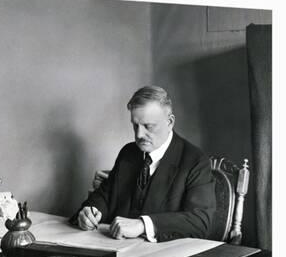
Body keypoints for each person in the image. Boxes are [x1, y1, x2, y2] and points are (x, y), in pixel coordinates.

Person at [72, 85, 215, 242]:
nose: (139, 135)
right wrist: (91, 212)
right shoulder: (128, 153)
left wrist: (143, 224)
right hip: (117, 248)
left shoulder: (195, 160)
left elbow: (200, 221)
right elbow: (105, 196)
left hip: (163, 256)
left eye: (149, 126)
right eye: (135, 125)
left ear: (170, 122)